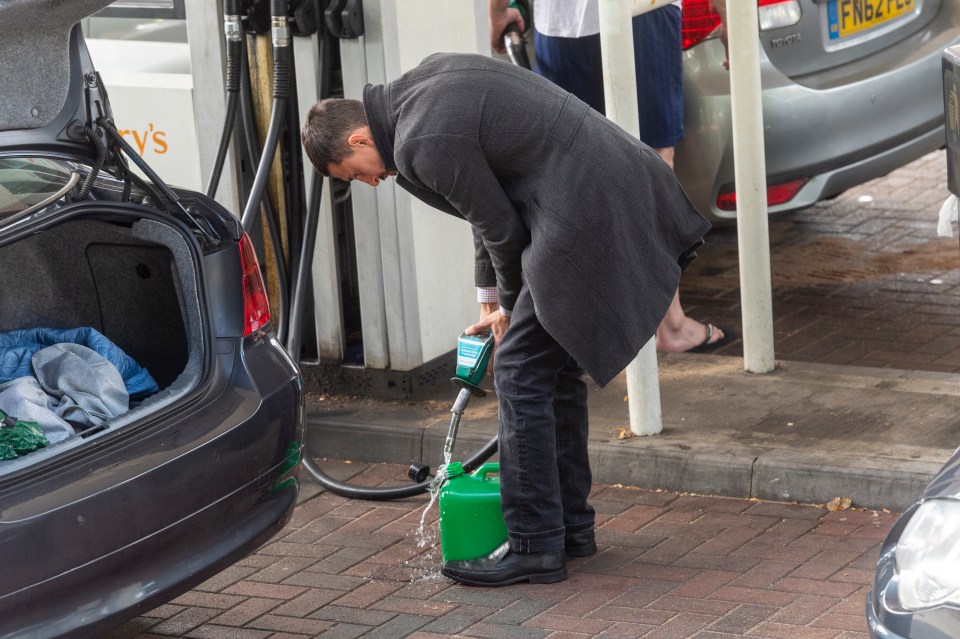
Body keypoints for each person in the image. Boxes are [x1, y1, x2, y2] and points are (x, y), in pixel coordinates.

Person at [301, 52, 710, 586]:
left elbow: (500, 228)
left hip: (588, 204)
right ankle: (569, 527)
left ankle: (536, 546)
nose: (372, 184)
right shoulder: (419, 95)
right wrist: (489, 302)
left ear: (358, 141)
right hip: (604, 188)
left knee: (519, 370)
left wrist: (513, 313)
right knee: (552, 368)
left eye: (356, 176)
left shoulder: (419, 141)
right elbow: (482, 209)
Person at [489, 0, 732, 354]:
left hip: (564, 22)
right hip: (633, 15)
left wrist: (496, 12)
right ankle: (667, 324)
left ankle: (586, 332)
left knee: (566, 163)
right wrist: (728, 15)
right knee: (646, 162)